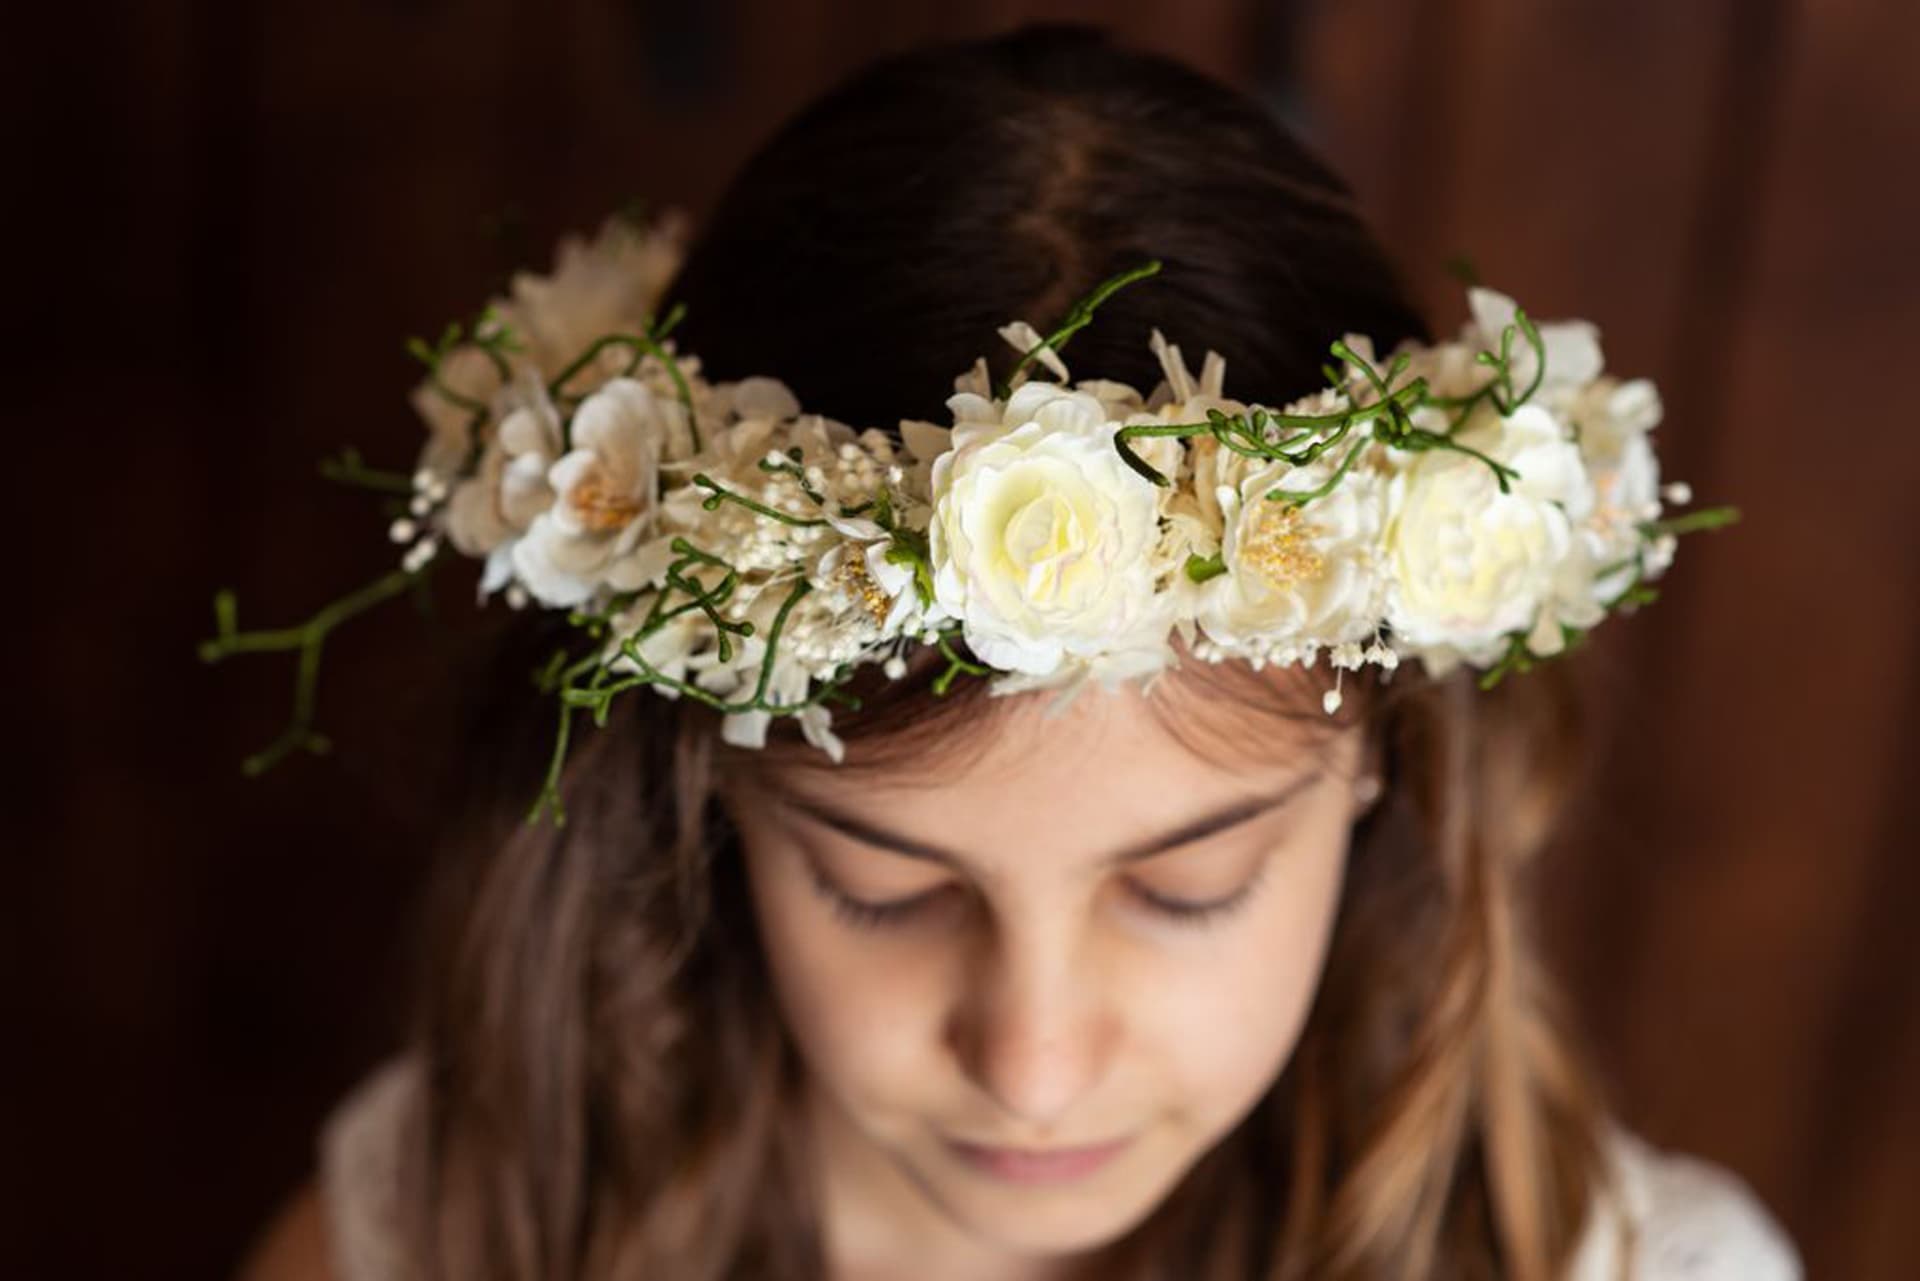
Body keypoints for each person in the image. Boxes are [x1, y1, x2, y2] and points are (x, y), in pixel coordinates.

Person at [237, 23, 1801, 1281]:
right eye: (883, 886)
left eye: (1191, 887)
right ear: (707, 792)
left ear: (1379, 749)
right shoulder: (448, 1233)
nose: (1034, 1063)